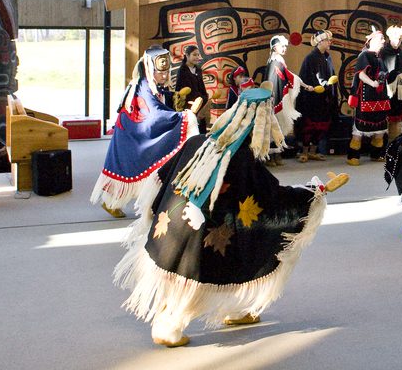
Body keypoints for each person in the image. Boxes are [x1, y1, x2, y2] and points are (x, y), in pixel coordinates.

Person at [113, 86, 350, 347]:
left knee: (220, 255)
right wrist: (314, 193)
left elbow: (161, 179)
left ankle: (231, 310)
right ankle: (170, 325)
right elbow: (272, 199)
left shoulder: (197, 142)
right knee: (223, 260)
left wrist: (152, 210)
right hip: (201, 237)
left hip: (172, 227)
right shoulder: (242, 160)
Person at [91, 46, 199, 218]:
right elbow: (154, 117)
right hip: (131, 138)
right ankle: (112, 202)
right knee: (130, 168)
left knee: (134, 169)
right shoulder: (143, 87)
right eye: (160, 72)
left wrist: (173, 98)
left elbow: (159, 101)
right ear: (149, 69)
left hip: (132, 136)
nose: (165, 76)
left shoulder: (150, 85)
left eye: (166, 72)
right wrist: (184, 117)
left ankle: (118, 201)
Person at [264, 34, 315, 166]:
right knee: (273, 126)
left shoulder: (278, 61)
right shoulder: (274, 61)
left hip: (277, 98)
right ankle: (271, 156)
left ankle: (277, 154)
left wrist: (305, 85)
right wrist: (305, 86)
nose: (284, 48)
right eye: (282, 46)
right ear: (275, 47)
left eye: (286, 46)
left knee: (277, 126)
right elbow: (287, 77)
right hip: (274, 99)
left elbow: (289, 76)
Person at [346, 29, 391, 165]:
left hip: (380, 96)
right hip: (367, 96)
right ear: (373, 40)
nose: (384, 41)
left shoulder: (379, 57)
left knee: (380, 128)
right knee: (360, 128)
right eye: (381, 38)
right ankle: (353, 156)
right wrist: (373, 83)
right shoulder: (364, 55)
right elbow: (360, 74)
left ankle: (376, 154)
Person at [294, 29, 339, 162]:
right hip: (311, 99)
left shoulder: (327, 57)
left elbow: (330, 74)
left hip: (324, 99)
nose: (330, 42)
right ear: (320, 42)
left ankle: (313, 151)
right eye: (327, 40)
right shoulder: (310, 58)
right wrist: (319, 86)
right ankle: (304, 151)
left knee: (321, 126)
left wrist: (330, 86)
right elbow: (308, 77)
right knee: (309, 126)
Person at [379, 25, 402, 142]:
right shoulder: (383, 52)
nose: (399, 41)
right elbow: (382, 72)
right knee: (385, 120)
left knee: (398, 120)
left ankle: (394, 146)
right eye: (396, 38)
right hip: (386, 92)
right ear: (390, 37)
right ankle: (383, 148)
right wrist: (396, 76)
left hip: (399, 91)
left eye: (401, 38)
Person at [174, 45, 210, 133]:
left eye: (198, 55)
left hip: (200, 106)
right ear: (187, 55)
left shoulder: (198, 70)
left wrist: (204, 103)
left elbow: (202, 88)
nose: (197, 57)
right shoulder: (182, 71)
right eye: (194, 55)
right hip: (189, 109)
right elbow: (182, 92)